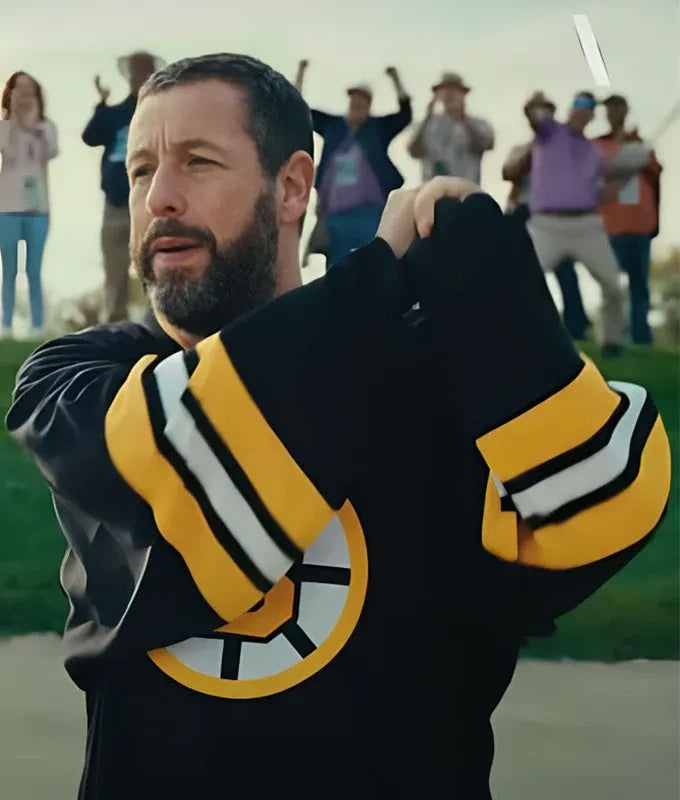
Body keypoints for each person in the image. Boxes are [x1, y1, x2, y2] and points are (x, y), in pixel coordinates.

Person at [6, 54, 671, 799]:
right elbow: (191, 452)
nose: (159, 197)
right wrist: (381, 275)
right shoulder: (73, 382)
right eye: (140, 171)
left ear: (292, 187)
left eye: (197, 162)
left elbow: (601, 503)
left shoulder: (424, 370)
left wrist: (489, 286)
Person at [524, 90, 633, 357]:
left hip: (586, 225)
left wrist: (623, 178)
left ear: (591, 116)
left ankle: (612, 342)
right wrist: (536, 101)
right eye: (578, 106)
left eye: (587, 108)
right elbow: (533, 114)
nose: (581, 112)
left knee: (612, 284)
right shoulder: (550, 131)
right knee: (522, 278)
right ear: (571, 109)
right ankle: (517, 336)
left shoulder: (593, 152)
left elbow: (600, 192)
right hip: (547, 225)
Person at [295, 60, 411, 267]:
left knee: (375, 268)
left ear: (369, 104)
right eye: (354, 98)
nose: (357, 103)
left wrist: (396, 79)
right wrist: (301, 73)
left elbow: (405, 115)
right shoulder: (333, 126)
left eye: (363, 100)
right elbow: (297, 110)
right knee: (336, 272)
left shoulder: (377, 128)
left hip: (371, 213)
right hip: (335, 215)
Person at [82, 50, 164, 322]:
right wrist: (101, 103)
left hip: (151, 204)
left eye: (145, 71)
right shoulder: (115, 113)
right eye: (135, 72)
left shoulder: (160, 115)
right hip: (115, 204)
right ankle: (115, 323)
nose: (139, 77)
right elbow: (90, 137)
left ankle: (157, 323)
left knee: (156, 268)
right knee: (114, 268)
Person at [502, 92, 591, 340]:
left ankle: (576, 326)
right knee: (515, 269)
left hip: (555, 216)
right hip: (522, 211)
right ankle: (515, 322)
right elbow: (508, 172)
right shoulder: (523, 148)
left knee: (565, 270)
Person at [592, 95, 662, 345]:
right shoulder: (597, 145)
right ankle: (611, 338)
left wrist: (656, 221)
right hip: (610, 226)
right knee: (610, 285)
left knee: (639, 286)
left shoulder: (641, 144)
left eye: (619, 108)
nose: (615, 113)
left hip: (640, 225)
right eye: (611, 109)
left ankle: (641, 338)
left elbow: (655, 177)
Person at [0, 72, 58, 339]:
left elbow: (49, 153)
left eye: (28, 91)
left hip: (38, 208)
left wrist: (33, 123)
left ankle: (37, 325)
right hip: (7, 206)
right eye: (18, 90)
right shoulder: (3, 128)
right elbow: (9, 153)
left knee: (34, 271)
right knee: (9, 270)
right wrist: (13, 120)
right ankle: (6, 324)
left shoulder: (46, 128)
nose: (23, 96)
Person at [408, 71, 494, 183]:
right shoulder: (425, 126)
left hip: (466, 192)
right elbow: (413, 150)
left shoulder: (478, 124)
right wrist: (427, 117)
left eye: (455, 90)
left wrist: (461, 118)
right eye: (444, 90)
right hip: (432, 193)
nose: (449, 94)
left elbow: (487, 143)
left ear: (464, 95)